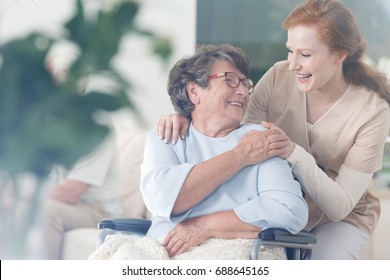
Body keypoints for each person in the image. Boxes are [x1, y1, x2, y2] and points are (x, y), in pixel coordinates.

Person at [156, 0, 390, 260]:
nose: (292, 64)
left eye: (306, 55)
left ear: (339, 55)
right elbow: (238, 132)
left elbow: (340, 206)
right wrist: (188, 113)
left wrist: (292, 151)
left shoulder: (373, 110)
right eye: (290, 51)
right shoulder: (279, 76)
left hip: (340, 218)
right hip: (278, 202)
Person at [88, 44, 308, 260]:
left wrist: (205, 227)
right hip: (165, 250)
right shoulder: (167, 137)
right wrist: (240, 156)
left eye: (244, 83)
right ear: (194, 91)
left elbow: (291, 210)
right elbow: (163, 199)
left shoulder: (260, 140)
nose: (242, 91)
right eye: (230, 80)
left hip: (233, 252)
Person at [41, 134, 124, 259]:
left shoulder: (97, 130)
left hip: (100, 211)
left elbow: (71, 192)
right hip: (75, 206)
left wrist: (30, 198)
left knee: (48, 210)